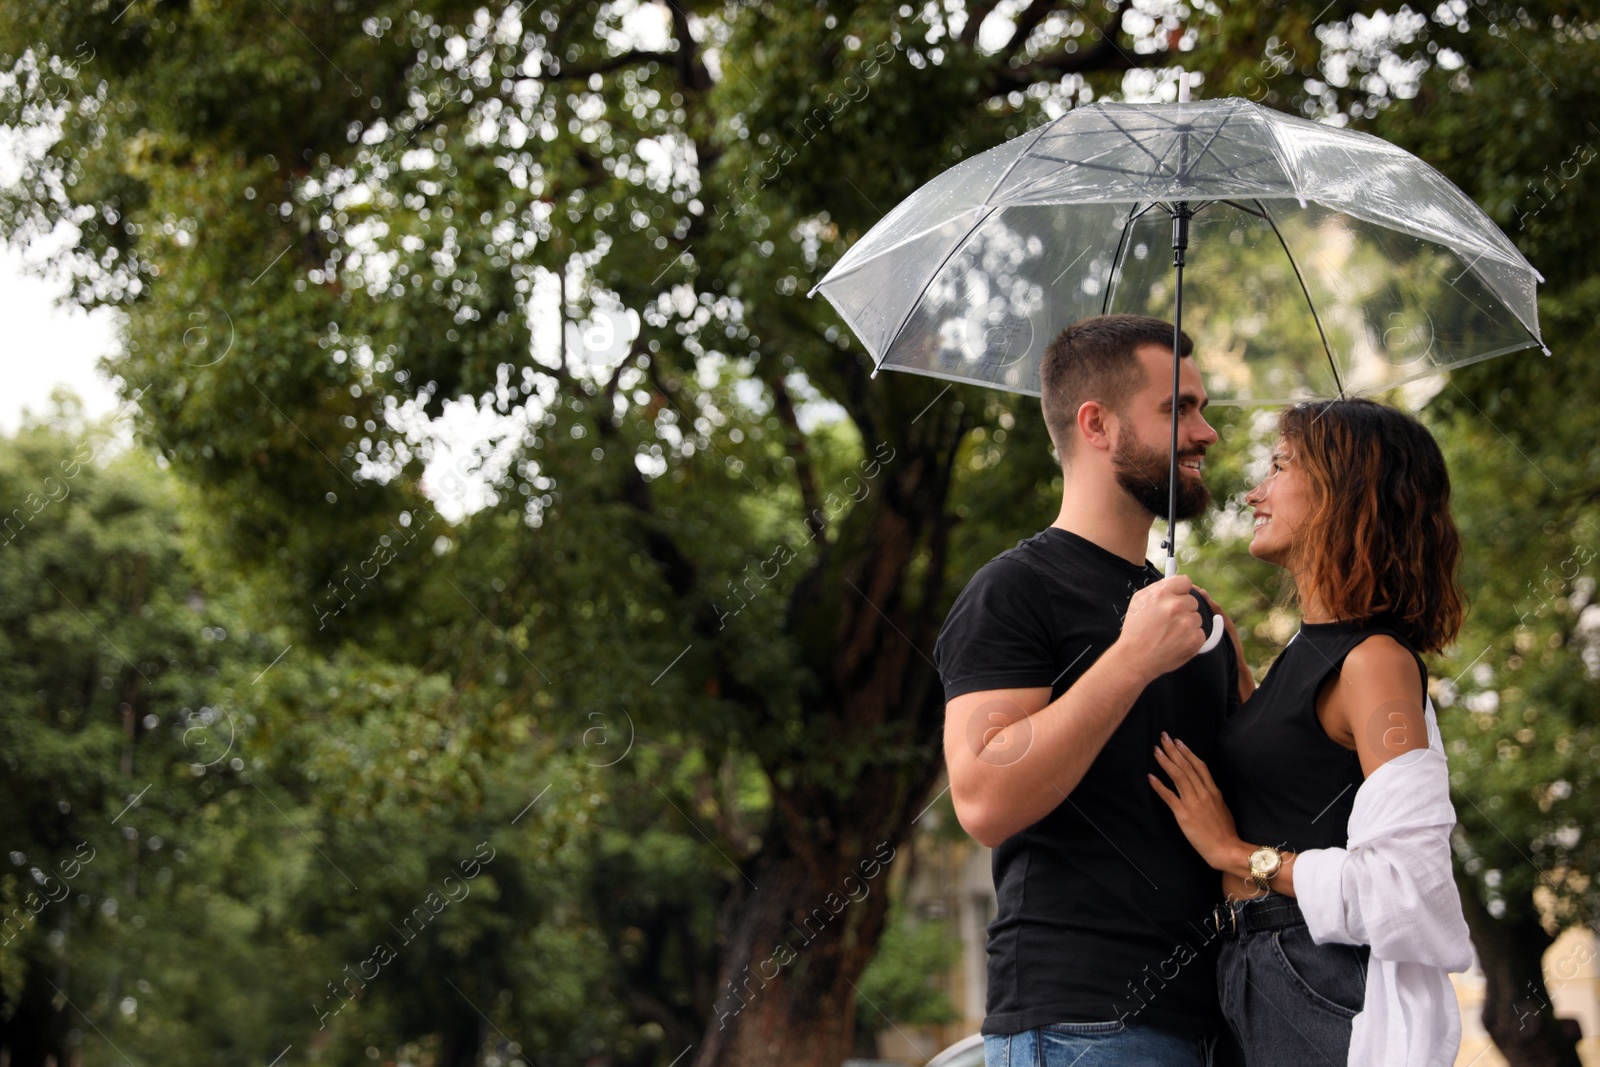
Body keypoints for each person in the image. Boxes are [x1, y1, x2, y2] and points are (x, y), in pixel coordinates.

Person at [936, 314, 1245, 1067]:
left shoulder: (1196, 617)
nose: (1205, 432)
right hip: (1084, 1025)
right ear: (1097, 424)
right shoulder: (1014, 590)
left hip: (1221, 1023)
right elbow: (982, 799)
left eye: (1203, 408)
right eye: (1178, 408)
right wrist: (1129, 659)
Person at [1148, 398, 1474, 1067]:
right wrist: (1233, 674)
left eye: (1278, 465)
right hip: (1257, 969)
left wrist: (1237, 853)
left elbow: (1409, 888)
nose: (1253, 490)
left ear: (1343, 490)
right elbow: (1302, 778)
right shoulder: (1307, 653)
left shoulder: (1376, 661)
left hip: (1311, 975)